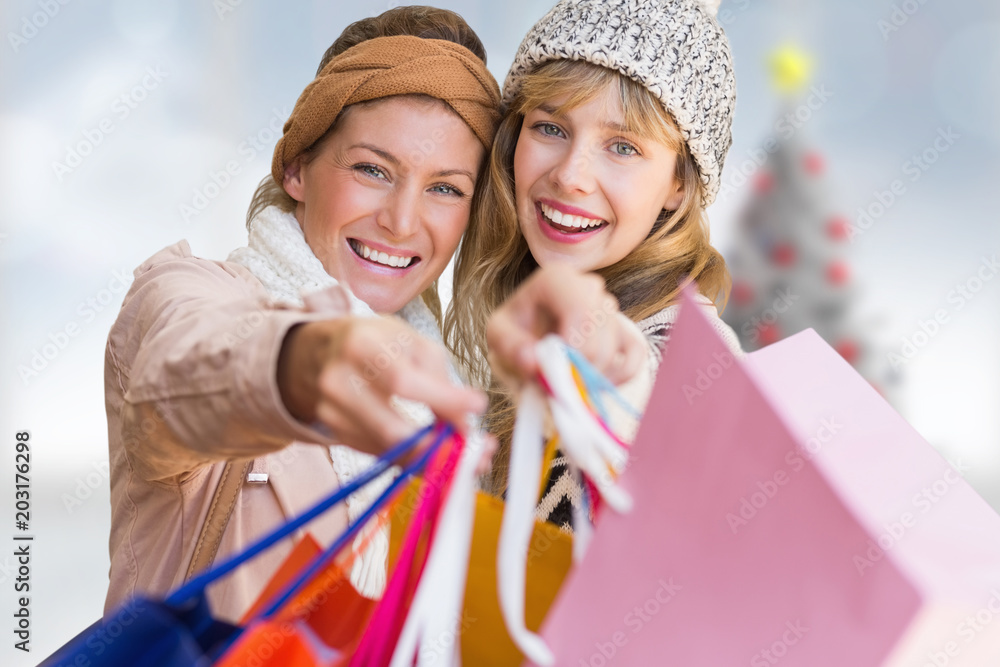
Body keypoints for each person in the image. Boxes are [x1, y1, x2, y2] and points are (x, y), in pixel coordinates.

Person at [105, 4, 646, 624]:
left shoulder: (452, 396)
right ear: (297, 167)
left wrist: (608, 373)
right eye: (371, 169)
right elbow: (179, 376)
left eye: (445, 188)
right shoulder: (186, 292)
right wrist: (300, 365)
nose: (401, 220)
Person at [445, 0, 745, 529]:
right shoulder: (499, 328)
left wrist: (602, 358)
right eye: (551, 129)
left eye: (623, 147)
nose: (570, 176)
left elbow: (648, 391)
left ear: (679, 184)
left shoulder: (694, 353)